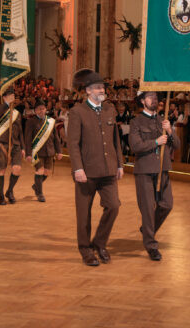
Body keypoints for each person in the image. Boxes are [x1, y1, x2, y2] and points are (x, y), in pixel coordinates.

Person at [68, 68, 124, 267]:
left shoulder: (110, 109)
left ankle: (99, 243)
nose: (102, 90)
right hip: (86, 172)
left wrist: (119, 163)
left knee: (114, 206)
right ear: (88, 91)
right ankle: (85, 250)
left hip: (108, 170)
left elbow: (115, 139)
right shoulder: (77, 112)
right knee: (84, 215)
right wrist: (77, 168)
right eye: (98, 88)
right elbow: (73, 143)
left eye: (102, 87)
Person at [129, 91, 180, 261]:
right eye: (150, 97)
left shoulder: (162, 120)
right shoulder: (136, 122)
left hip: (162, 168)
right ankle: (151, 245)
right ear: (142, 101)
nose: (155, 100)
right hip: (144, 170)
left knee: (167, 204)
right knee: (148, 209)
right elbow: (135, 146)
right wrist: (156, 142)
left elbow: (177, 145)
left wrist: (170, 131)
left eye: (156, 98)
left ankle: (147, 229)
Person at [0, 88, 25, 205]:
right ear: (4, 97)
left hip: (15, 144)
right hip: (1, 143)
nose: (12, 97)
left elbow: (20, 131)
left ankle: (9, 191)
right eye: (9, 95)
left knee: (17, 169)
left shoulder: (17, 113)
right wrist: (6, 104)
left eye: (13, 95)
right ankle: (0, 196)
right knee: (1, 170)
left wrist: (23, 147)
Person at [25, 99, 62, 202]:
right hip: (37, 152)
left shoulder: (51, 121)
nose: (41, 111)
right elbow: (27, 139)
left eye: (43, 108)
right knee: (40, 171)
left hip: (50, 151)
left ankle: (36, 185)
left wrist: (59, 151)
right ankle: (39, 193)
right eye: (39, 109)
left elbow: (56, 138)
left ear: (46, 109)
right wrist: (28, 154)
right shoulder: (30, 122)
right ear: (35, 111)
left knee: (47, 172)